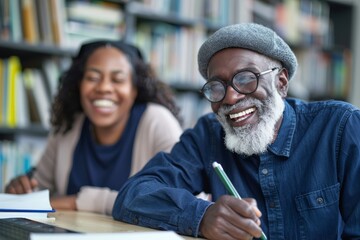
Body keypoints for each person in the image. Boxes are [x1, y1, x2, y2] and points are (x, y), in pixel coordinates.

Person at [112, 23, 360, 239]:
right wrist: (202, 216)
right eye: (216, 87)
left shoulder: (341, 127)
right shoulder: (208, 135)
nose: (230, 97)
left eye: (246, 78)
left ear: (281, 83)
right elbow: (133, 195)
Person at [5, 40, 183, 215]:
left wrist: (78, 202)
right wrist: (22, 191)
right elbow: (40, 188)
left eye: (118, 79)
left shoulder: (156, 121)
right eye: (93, 78)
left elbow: (177, 199)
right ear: (79, 85)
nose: (104, 87)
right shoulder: (69, 124)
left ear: (134, 89)